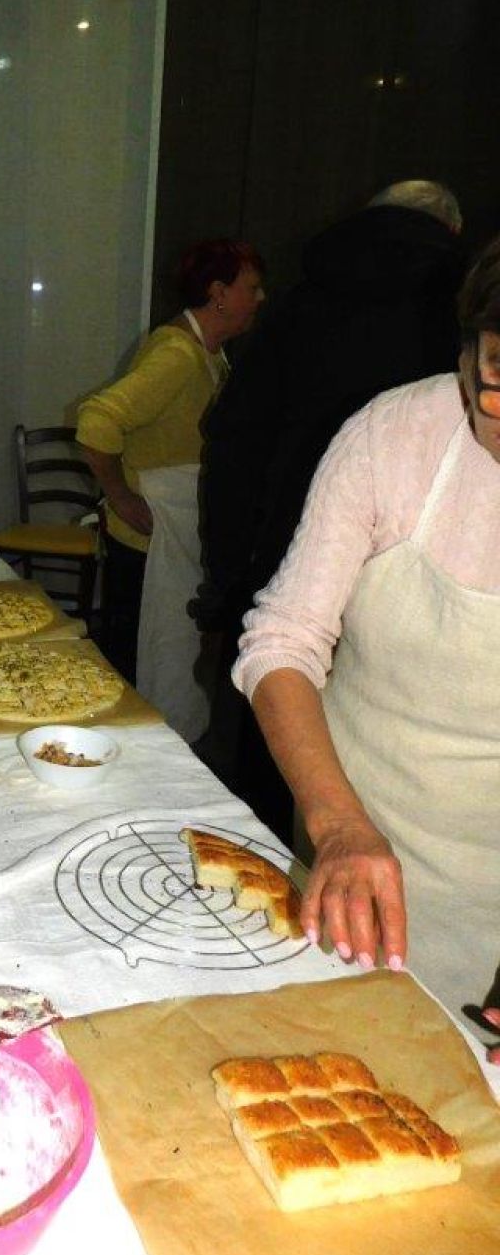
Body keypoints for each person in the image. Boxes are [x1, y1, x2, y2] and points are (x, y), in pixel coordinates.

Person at [233, 240, 500, 1049]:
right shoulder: (395, 436)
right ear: (467, 357)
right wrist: (340, 826)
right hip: (353, 841)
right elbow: (281, 641)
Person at [195, 181, 465, 842]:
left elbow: (233, 441)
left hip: (283, 545)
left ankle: (267, 873)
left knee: (270, 735)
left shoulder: (300, 302)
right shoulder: (457, 310)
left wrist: (226, 576)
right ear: (452, 234)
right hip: (413, 575)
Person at [75, 239, 264, 731]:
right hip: (146, 540)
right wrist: (120, 495)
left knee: (164, 654)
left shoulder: (209, 354)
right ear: (218, 293)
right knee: (138, 660)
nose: (260, 298)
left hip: (173, 531)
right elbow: (97, 420)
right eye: (252, 287)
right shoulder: (178, 354)